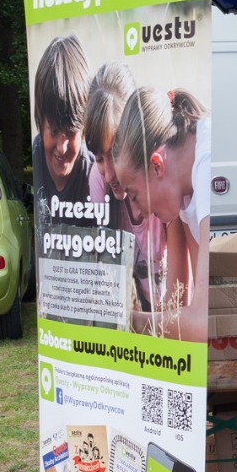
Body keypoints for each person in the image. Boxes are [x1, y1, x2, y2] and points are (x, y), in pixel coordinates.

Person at [110, 88, 210, 340]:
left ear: (157, 165)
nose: (138, 212)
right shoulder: (184, 189)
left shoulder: (206, 167)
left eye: (133, 195)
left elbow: (203, 322)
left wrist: (127, 322)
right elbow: (186, 308)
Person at [80, 62, 164, 315]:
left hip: (174, 317)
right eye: (98, 157)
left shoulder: (161, 180)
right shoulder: (98, 180)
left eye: (114, 152)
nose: (108, 174)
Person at [31, 35, 95, 252]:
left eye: (71, 132)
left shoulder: (95, 173)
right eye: (55, 131)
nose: (62, 147)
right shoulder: (36, 156)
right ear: (40, 121)